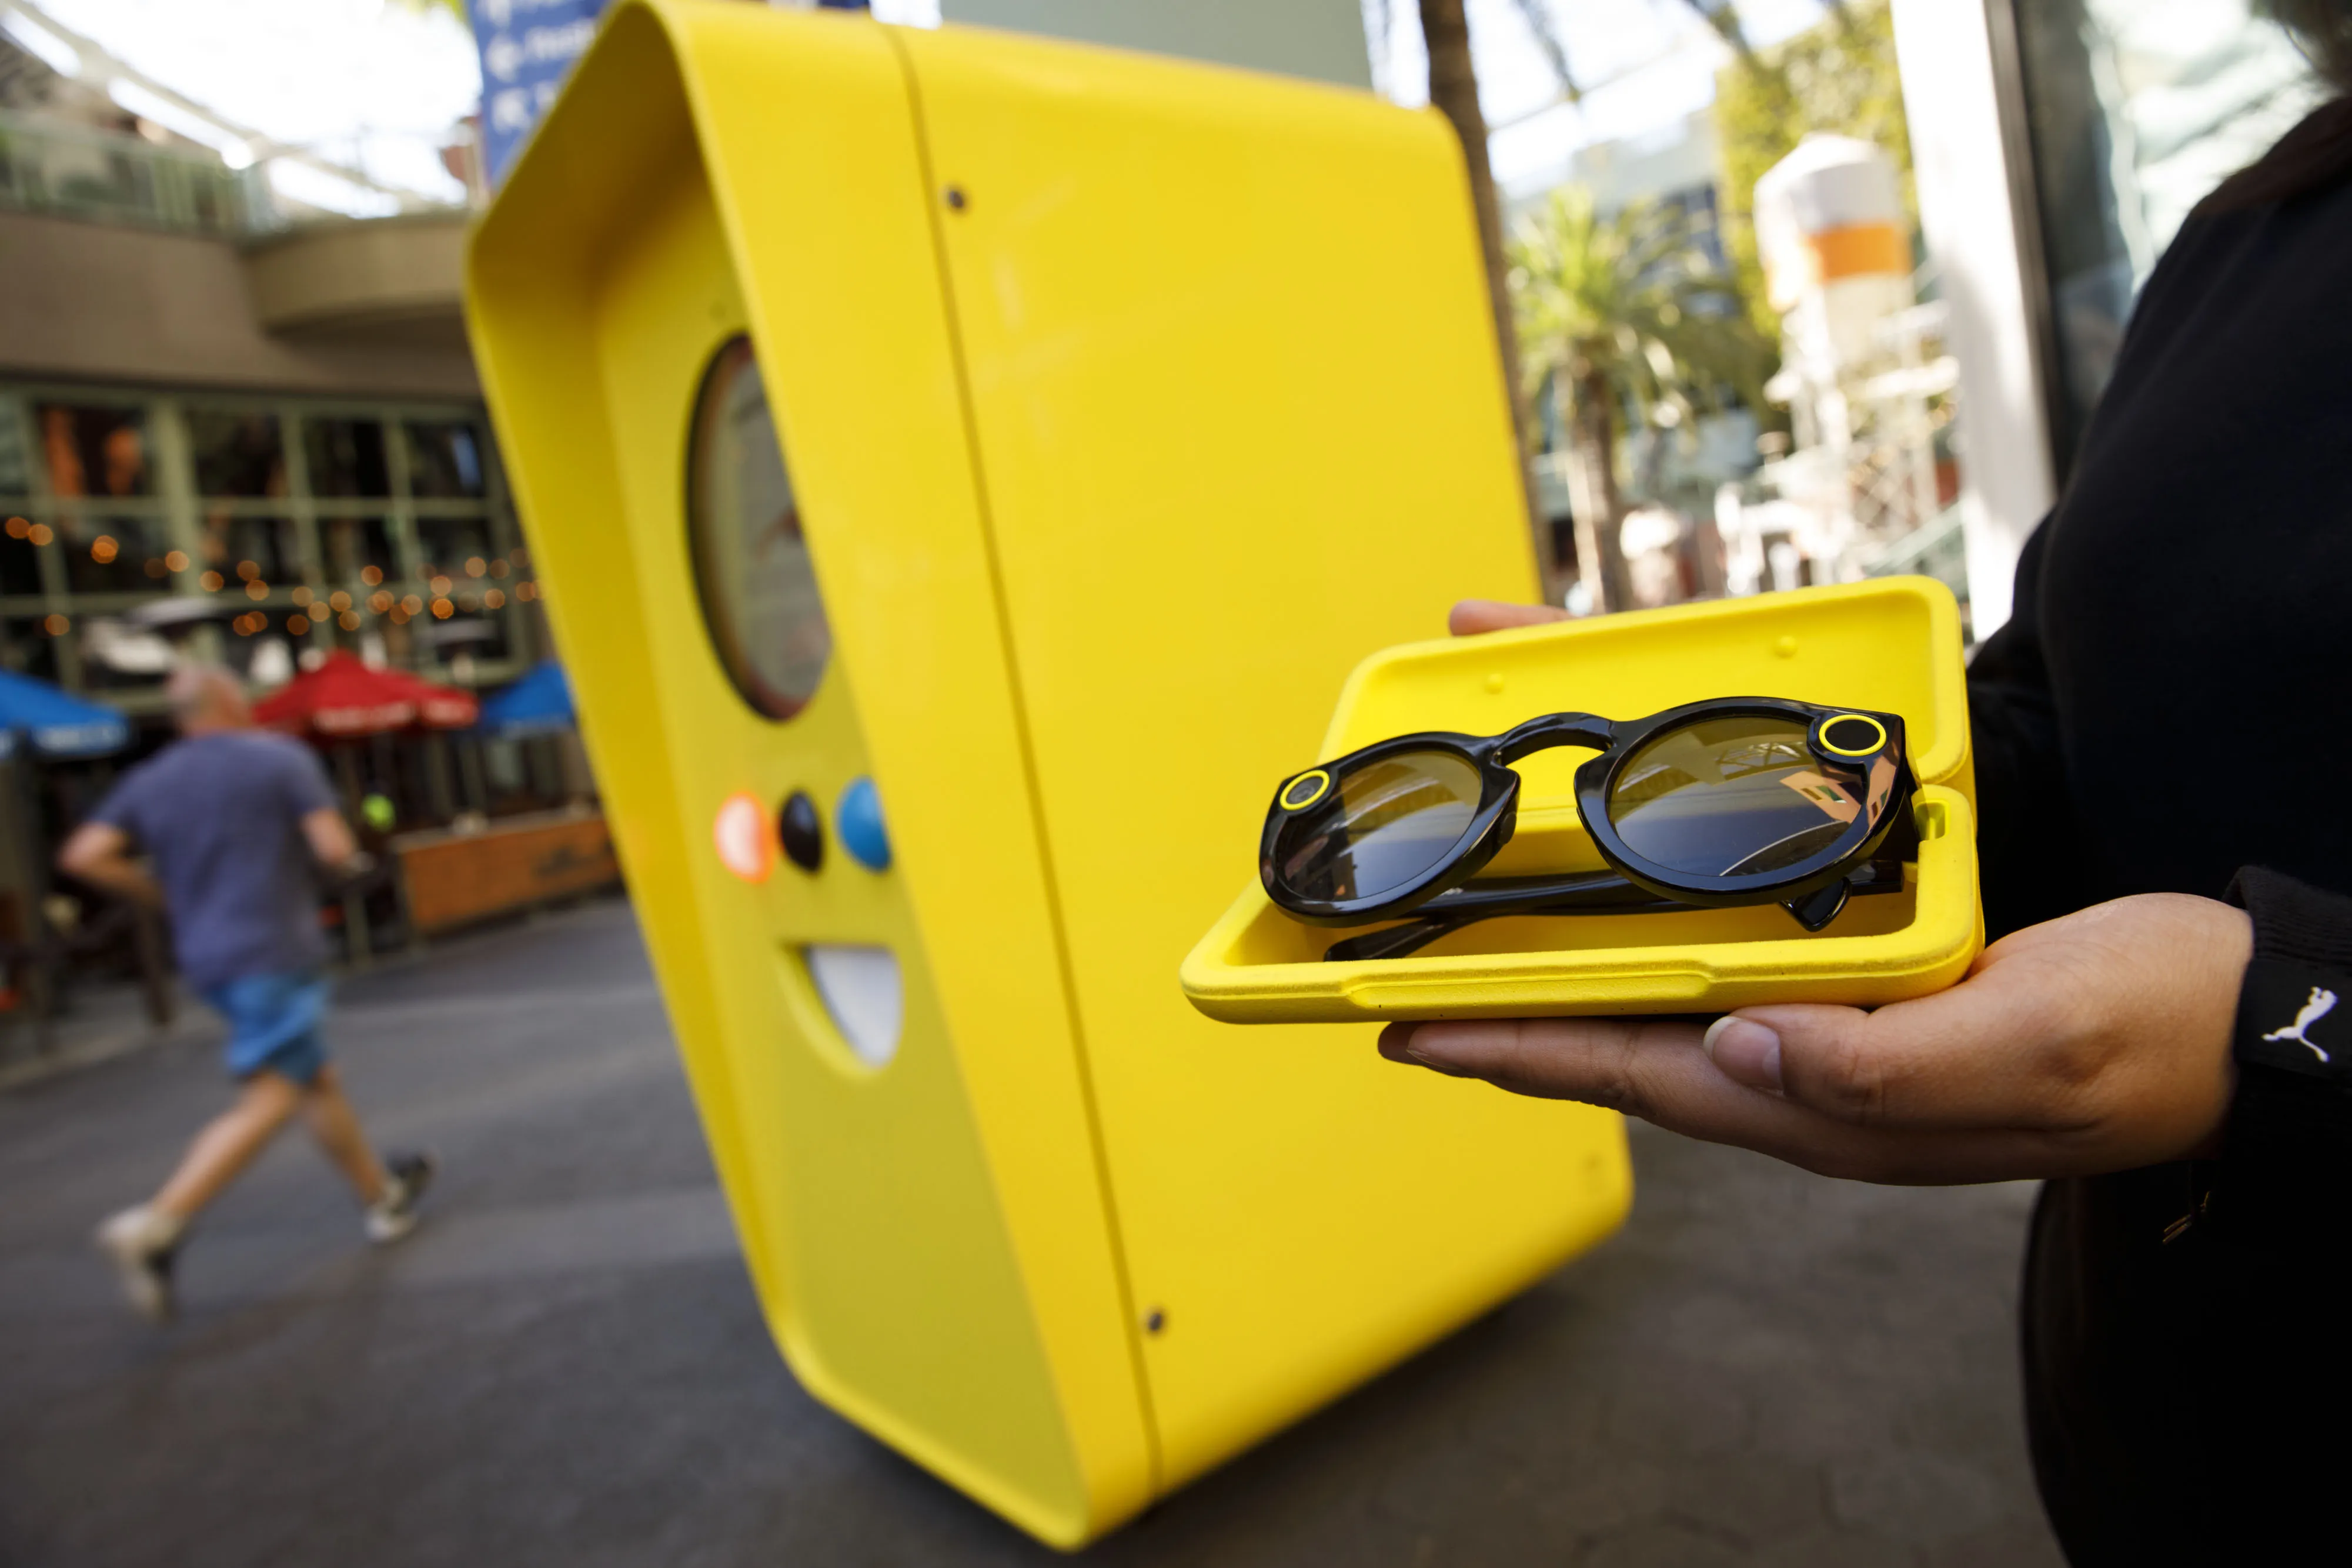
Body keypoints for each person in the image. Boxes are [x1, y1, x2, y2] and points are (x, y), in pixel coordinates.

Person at [1377, 9, 2352, 1562]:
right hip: (2147, 1434)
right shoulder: (2259, 221)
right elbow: (2072, 700)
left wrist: (2288, 1023)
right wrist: (1797, 771)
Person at [61, 664, 433, 1322]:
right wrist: (344, 861)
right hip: (275, 950)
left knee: (313, 1076)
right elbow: (333, 846)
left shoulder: (152, 780)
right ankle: (158, 1226)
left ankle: (380, 1199)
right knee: (272, 1095)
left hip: (207, 959)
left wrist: (161, 893)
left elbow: (87, 855)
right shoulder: (279, 761)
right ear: (232, 703)